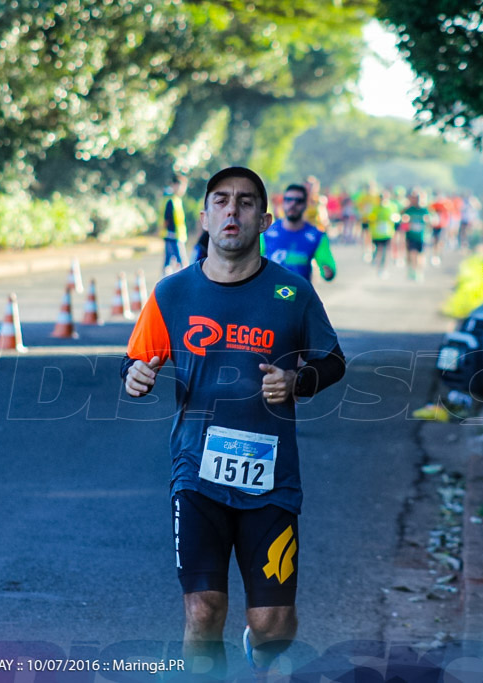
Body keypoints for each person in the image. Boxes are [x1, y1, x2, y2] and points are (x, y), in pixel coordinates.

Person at [122, 167, 345, 678]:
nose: (232, 211)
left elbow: (333, 362)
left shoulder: (291, 293)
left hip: (271, 480)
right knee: (202, 613)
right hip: (195, 472)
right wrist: (135, 374)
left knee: (273, 622)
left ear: (264, 219)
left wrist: (297, 382)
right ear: (203, 216)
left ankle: (258, 647)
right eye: (220, 201)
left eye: (246, 203)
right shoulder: (173, 292)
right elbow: (137, 358)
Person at [260, 183, 336, 284]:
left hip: (300, 295)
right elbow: (250, 262)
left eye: (298, 201)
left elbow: (327, 264)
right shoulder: (266, 233)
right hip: (270, 294)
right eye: (288, 200)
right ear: (283, 203)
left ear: (305, 204)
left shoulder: (317, 236)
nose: (293, 204)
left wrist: (327, 270)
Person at [162, 172, 189, 276]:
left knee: (168, 263)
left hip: (177, 236)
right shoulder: (170, 201)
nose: (182, 189)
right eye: (181, 186)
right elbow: (167, 220)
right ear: (174, 185)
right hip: (173, 237)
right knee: (182, 263)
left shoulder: (177, 200)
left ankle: (164, 282)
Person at [401, 190, 432, 281]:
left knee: (420, 255)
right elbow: (401, 215)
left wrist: (427, 221)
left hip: (421, 236)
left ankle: (419, 272)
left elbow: (430, 221)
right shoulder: (409, 209)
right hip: (411, 236)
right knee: (412, 253)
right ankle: (412, 270)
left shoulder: (424, 210)